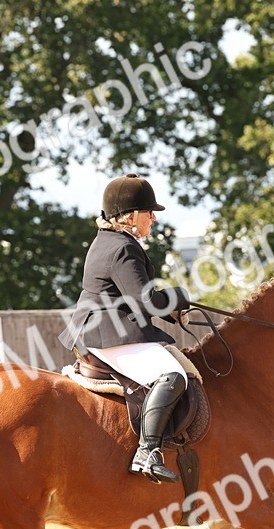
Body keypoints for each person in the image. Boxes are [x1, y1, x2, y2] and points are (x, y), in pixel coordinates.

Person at [58, 173, 192, 483]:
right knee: (172, 376)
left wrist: (173, 308)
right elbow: (143, 300)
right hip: (108, 332)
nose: (153, 219)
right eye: (149, 212)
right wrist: (179, 297)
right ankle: (147, 451)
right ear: (130, 215)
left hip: (105, 327)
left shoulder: (110, 241)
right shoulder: (122, 248)